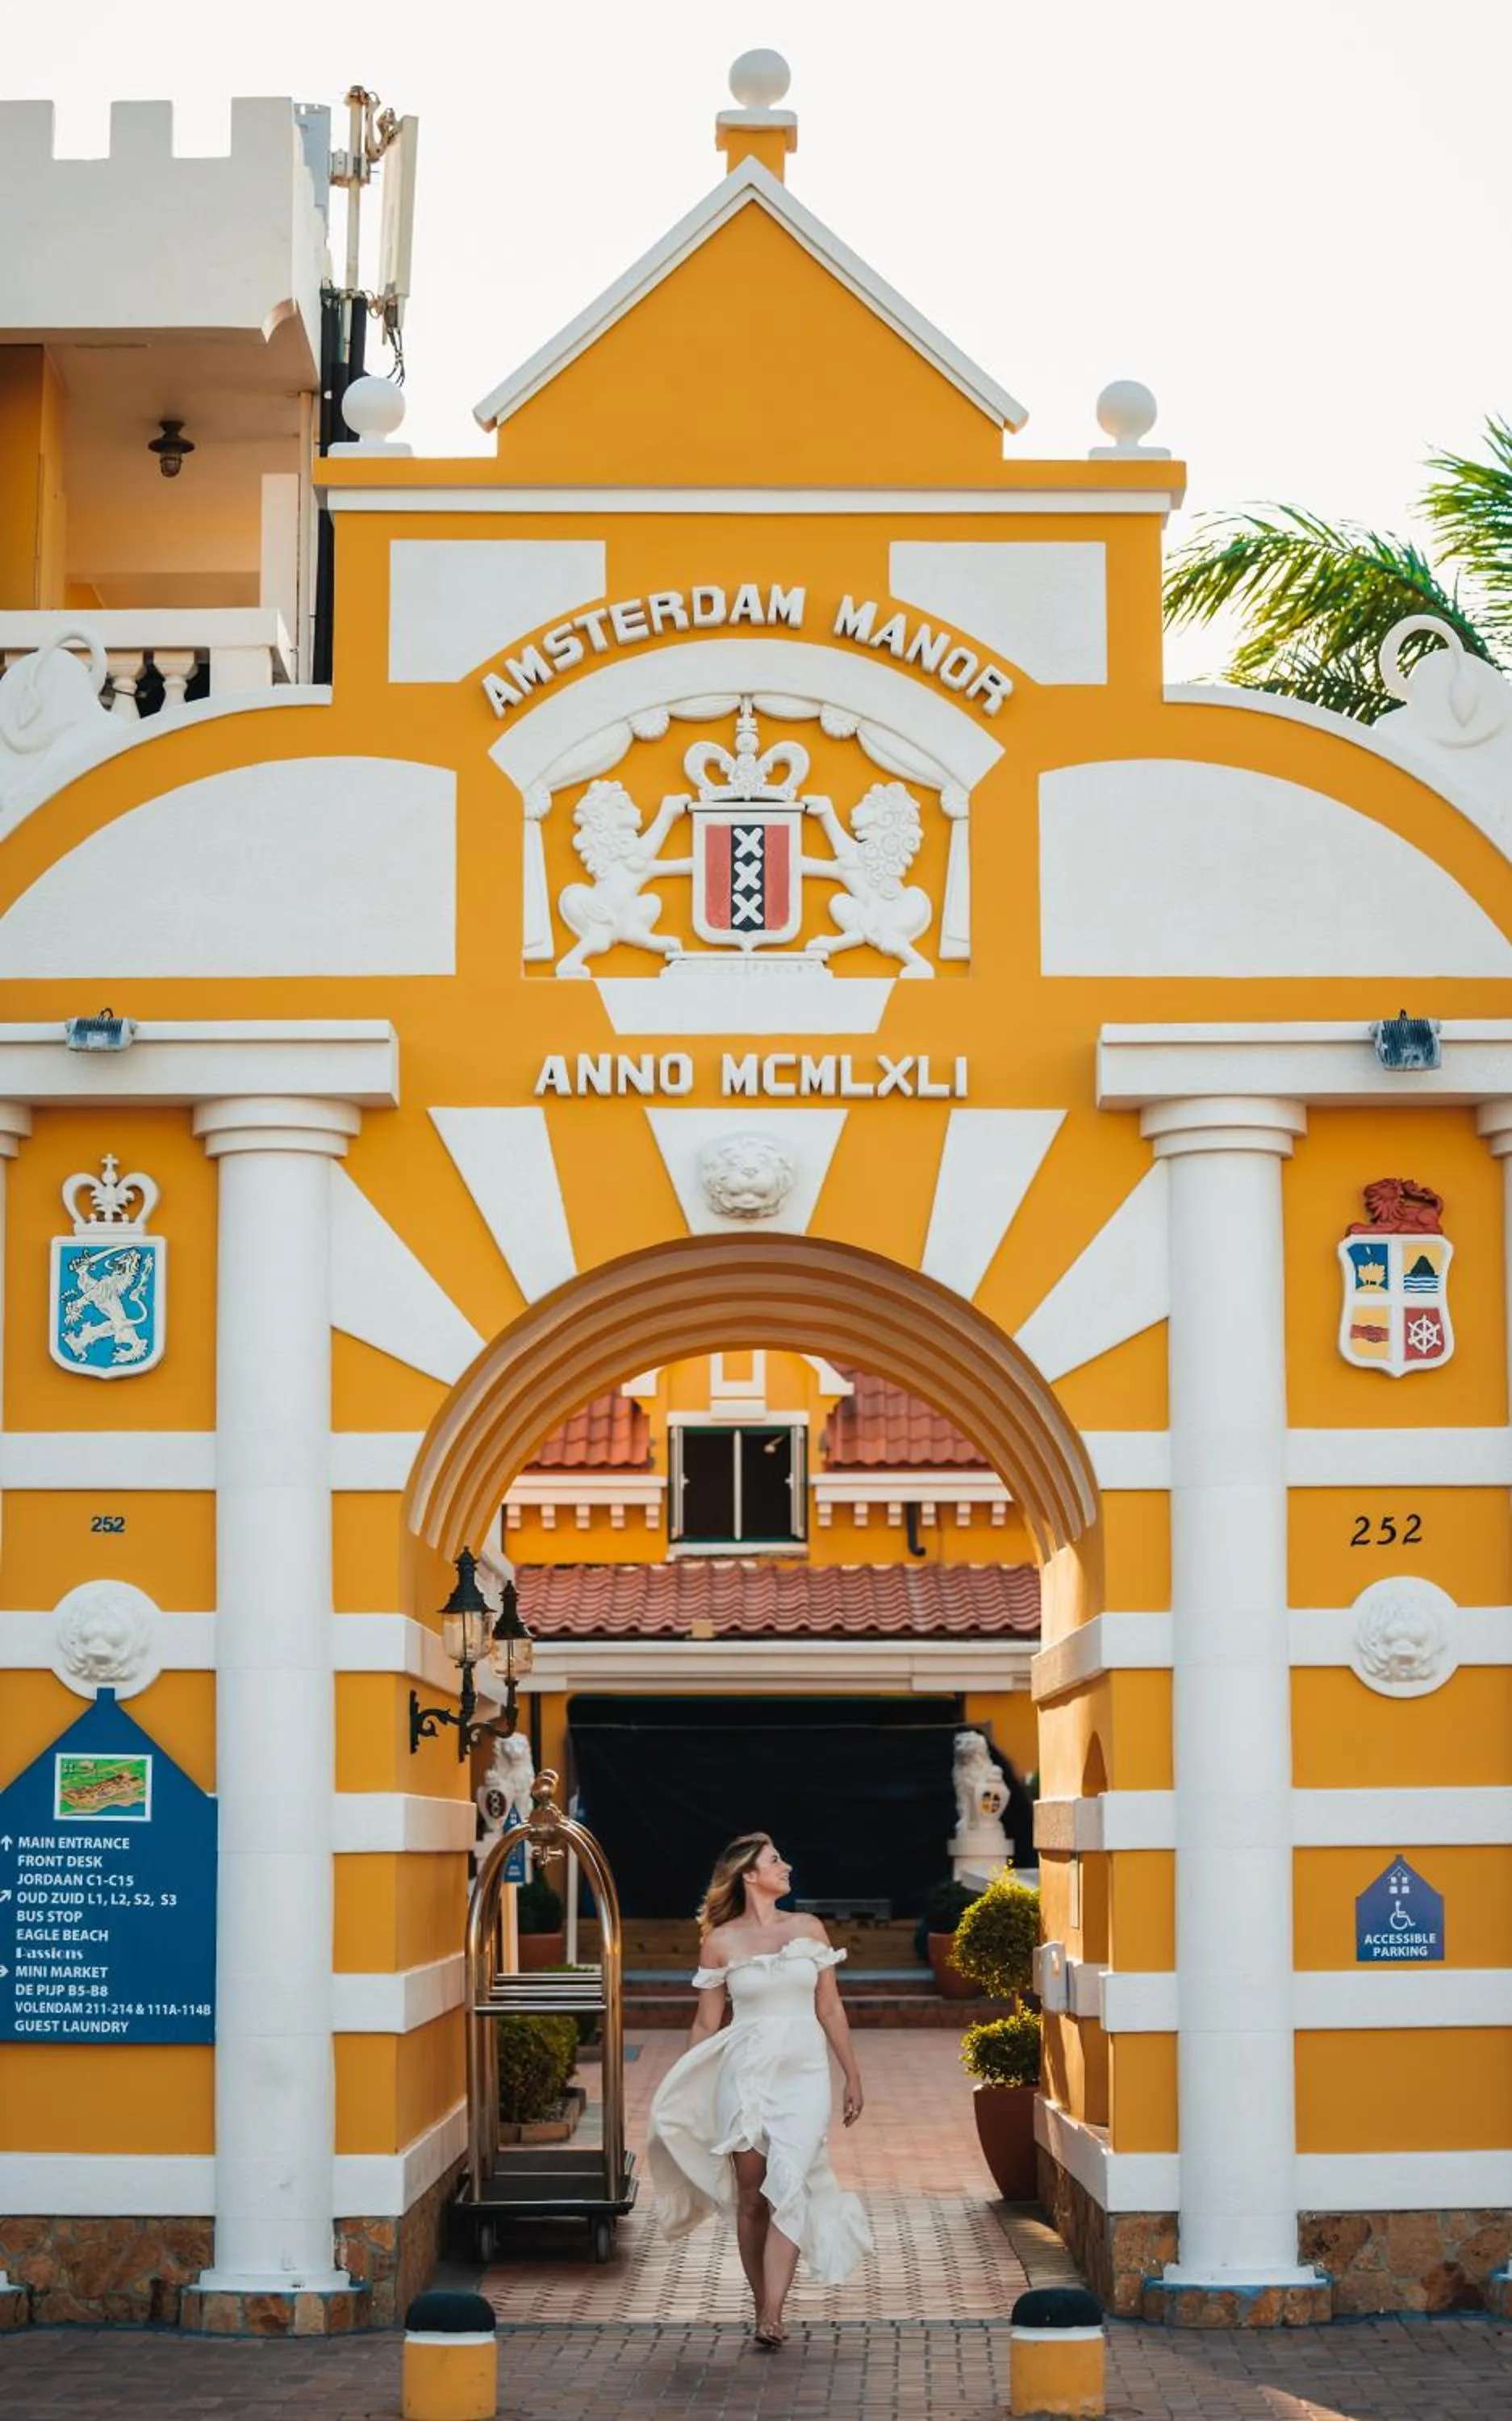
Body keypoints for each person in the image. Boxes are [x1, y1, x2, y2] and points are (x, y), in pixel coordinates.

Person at [645, 1832, 872, 2349]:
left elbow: (830, 2008)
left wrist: (851, 2074)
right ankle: (760, 2301)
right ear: (750, 1875)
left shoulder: (810, 1929)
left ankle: (773, 2311)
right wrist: (688, 2084)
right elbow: (706, 2025)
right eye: (775, 1860)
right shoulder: (720, 1941)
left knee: (790, 2181)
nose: (786, 1866)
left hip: (804, 2074)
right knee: (752, 2198)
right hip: (744, 2074)